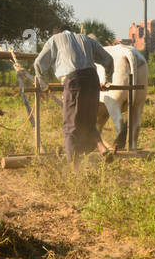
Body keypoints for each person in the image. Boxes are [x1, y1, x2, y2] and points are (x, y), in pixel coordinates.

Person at [29, 30, 115, 165]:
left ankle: (73, 168)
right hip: (93, 79)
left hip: (74, 81)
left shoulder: (55, 39)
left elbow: (38, 64)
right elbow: (108, 59)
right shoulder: (87, 39)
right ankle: (102, 149)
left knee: (70, 127)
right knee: (89, 122)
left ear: (57, 31)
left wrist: (44, 85)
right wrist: (108, 81)